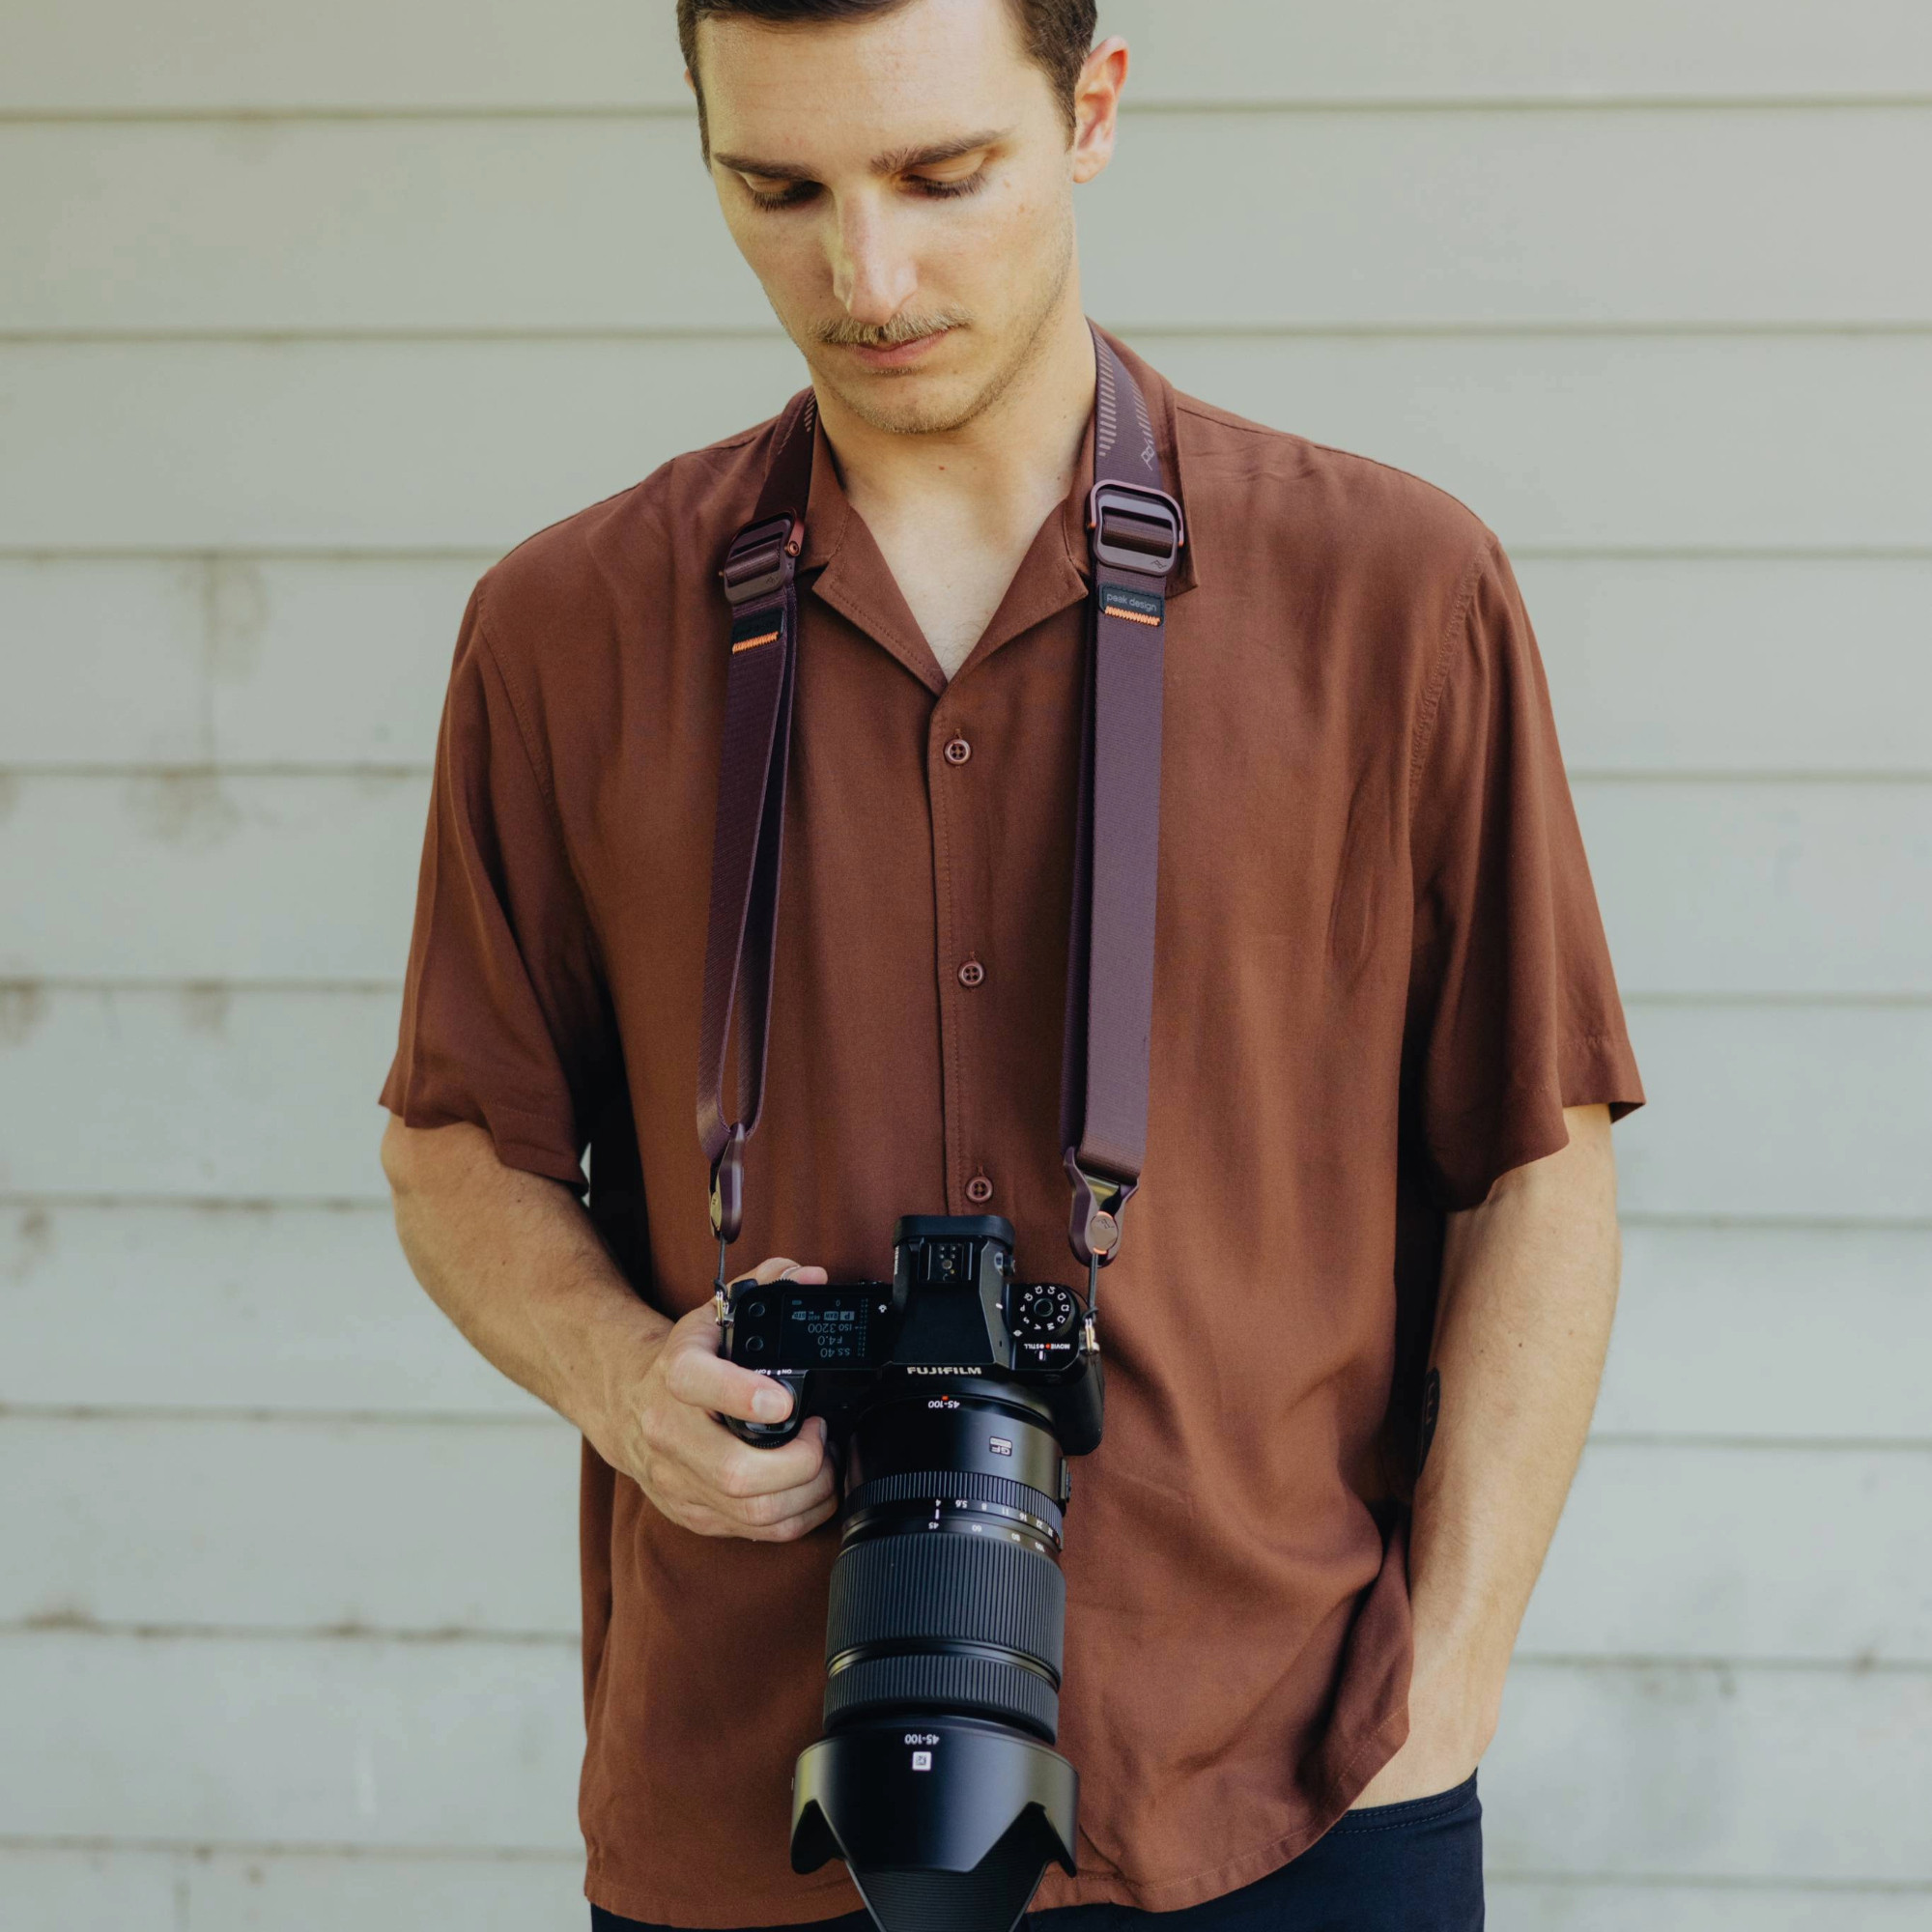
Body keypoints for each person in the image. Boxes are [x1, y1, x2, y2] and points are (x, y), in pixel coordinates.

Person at [378, 2, 1644, 1928]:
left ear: (1091, 108)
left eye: (941, 174)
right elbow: (455, 1143)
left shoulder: (1391, 591)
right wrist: (622, 1378)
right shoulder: (566, 627)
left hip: (1290, 1792)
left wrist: (1442, 1695)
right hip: (751, 1805)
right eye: (778, 190)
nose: (866, 277)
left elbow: (1536, 1164)